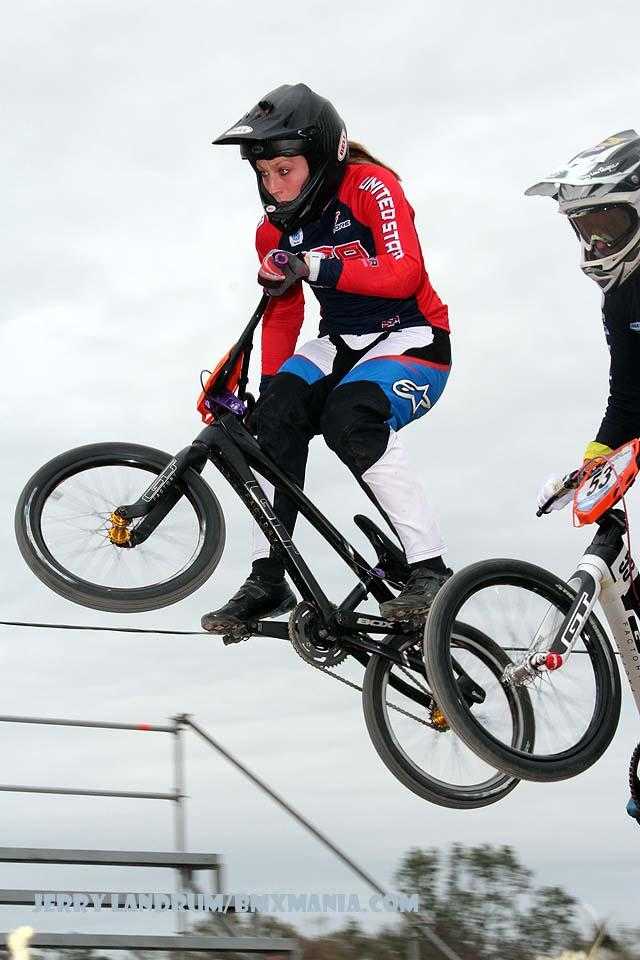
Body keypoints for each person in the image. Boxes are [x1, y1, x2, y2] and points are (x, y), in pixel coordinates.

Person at [201, 83, 452, 633]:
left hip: (414, 337)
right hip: (341, 341)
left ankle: (429, 568)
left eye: (284, 170)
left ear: (319, 159)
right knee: (273, 415)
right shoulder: (273, 230)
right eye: (263, 174)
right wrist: (269, 385)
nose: (273, 186)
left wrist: (315, 265)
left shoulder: (371, 186)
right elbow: (284, 311)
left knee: (350, 416)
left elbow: (404, 272)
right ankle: (269, 576)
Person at [526, 130, 640, 512]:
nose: (598, 244)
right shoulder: (621, 297)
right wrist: (591, 466)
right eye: (588, 230)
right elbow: (628, 400)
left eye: (609, 226)